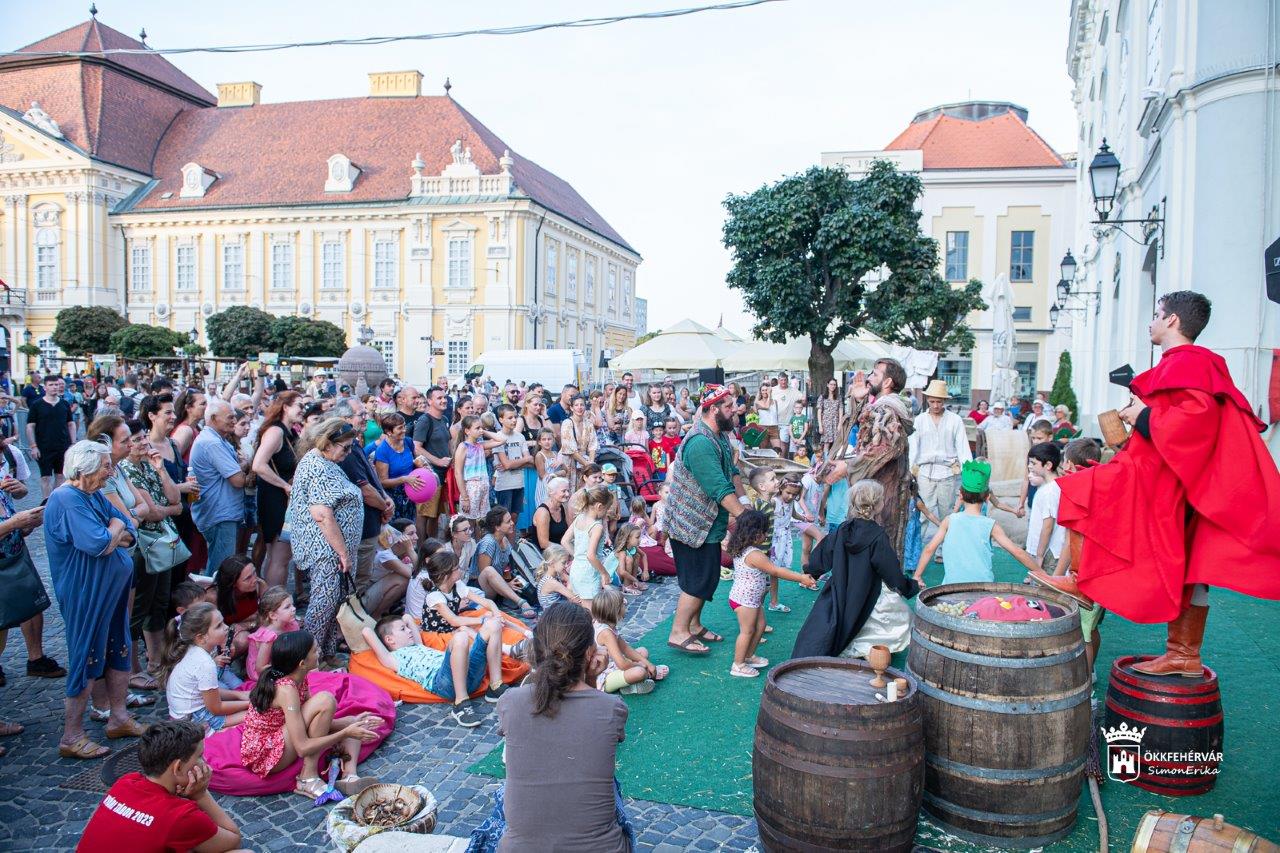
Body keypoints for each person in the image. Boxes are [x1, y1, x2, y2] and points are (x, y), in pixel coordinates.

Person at [1034, 291, 1280, 677]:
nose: (1151, 321)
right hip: (1178, 478)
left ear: (1173, 322)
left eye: (1156, 314)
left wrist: (1144, 414)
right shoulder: (1188, 365)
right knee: (1191, 568)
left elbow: (1193, 424)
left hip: (1168, 480)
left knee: (1080, 491)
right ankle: (1182, 653)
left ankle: (1084, 584)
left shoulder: (1191, 363)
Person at [487, 601, 634, 852]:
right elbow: (585, 735)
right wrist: (592, 679)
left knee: (507, 792)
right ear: (589, 653)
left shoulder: (510, 702)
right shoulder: (611, 708)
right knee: (609, 787)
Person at [45, 440, 140, 759]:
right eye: (105, 465)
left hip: (109, 591)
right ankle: (72, 735)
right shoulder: (67, 499)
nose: (110, 470)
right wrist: (115, 529)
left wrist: (116, 529)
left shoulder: (93, 495)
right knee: (85, 657)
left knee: (120, 648)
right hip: (86, 594)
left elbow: (131, 529)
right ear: (83, 468)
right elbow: (98, 543)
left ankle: (119, 717)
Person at [241, 630, 381, 795]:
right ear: (302, 663)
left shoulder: (299, 676)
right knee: (327, 701)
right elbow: (302, 747)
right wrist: (344, 731)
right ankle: (307, 777)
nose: (319, 651)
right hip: (267, 754)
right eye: (314, 650)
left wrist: (351, 723)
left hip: (288, 731)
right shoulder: (286, 689)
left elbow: (317, 719)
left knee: (352, 723)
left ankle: (350, 776)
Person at [77, 720, 244, 852]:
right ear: (177, 767)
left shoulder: (125, 783)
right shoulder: (180, 816)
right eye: (199, 756)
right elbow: (233, 840)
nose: (205, 762)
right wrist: (200, 795)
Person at [664, 385, 746, 655]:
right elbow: (718, 488)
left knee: (708, 577)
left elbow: (731, 473)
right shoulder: (700, 442)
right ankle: (678, 632)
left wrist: (745, 504)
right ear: (713, 409)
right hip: (690, 526)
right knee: (697, 580)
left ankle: (695, 625)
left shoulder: (720, 434)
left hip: (707, 523)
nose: (733, 410)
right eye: (728, 406)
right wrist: (746, 517)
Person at [290, 418, 365, 665]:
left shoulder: (326, 460)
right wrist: (343, 552)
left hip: (334, 549)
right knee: (322, 605)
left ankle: (328, 652)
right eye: (345, 447)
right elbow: (322, 514)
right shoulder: (316, 465)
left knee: (334, 603)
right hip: (326, 549)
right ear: (328, 443)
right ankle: (310, 660)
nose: (349, 452)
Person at [364, 613, 507, 728]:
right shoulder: (392, 658)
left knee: (493, 624)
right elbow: (367, 631)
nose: (409, 630)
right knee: (461, 637)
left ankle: (495, 686)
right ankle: (461, 703)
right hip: (443, 681)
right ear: (389, 640)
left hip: (468, 672)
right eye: (403, 629)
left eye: (407, 628)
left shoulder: (418, 644)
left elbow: (408, 617)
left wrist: (403, 620)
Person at [913, 461, 1042, 586]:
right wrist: (1040, 572)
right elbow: (1016, 551)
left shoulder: (949, 520)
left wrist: (917, 576)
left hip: (951, 586)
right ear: (987, 498)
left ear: (961, 496)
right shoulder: (991, 525)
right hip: (983, 586)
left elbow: (930, 548)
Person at [727, 509, 816, 677]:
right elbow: (775, 571)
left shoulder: (744, 548)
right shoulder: (754, 554)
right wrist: (801, 578)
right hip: (744, 600)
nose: (767, 535)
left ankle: (749, 656)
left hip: (751, 600)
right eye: (764, 532)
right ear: (754, 533)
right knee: (747, 631)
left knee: (760, 626)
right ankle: (738, 664)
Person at [333, 399, 394, 599]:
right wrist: (384, 507)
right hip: (362, 528)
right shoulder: (345, 451)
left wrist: (384, 497)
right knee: (357, 584)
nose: (366, 418)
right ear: (345, 419)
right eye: (361, 414)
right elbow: (364, 490)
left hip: (370, 524)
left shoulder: (355, 444)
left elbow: (371, 478)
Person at [159, 603, 250, 732]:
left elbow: (205, 693)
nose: (226, 628)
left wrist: (239, 696)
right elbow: (216, 708)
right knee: (256, 715)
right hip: (192, 722)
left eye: (223, 622)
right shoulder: (204, 663)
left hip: (185, 715)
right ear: (201, 638)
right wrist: (250, 704)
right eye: (219, 626)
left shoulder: (191, 649)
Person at [909, 378, 972, 560]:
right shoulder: (919, 420)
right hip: (924, 473)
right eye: (933, 401)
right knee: (921, 514)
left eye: (939, 401)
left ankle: (944, 550)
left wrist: (968, 473)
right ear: (927, 400)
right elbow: (913, 446)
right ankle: (914, 552)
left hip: (947, 473)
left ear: (945, 401)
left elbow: (963, 448)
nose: (936, 405)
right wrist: (908, 470)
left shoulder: (955, 420)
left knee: (948, 513)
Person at [189, 400, 247, 578]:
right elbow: (238, 480)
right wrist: (244, 464)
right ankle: (211, 603)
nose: (234, 421)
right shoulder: (211, 443)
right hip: (219, 514)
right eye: (230, 417)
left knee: (221, 566)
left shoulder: (216, 440)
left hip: (221, 512)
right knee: (219, 571)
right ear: (213, 418)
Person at [251, 391, 302, 589]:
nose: (302, 410)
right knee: (280, 556)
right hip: (276, 499)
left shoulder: (289, 431)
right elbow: (258, 465)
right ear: (285, 407)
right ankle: (275, 604)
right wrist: (285, 485)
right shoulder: (276, 431)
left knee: (278, 555)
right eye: (299, 405)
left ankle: (274, 603)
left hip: (280, 498)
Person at [591, 586, 665, 694]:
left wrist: (647, 663)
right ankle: (633, 685)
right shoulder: (606, 633)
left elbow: (625, 648)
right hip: (604, 675)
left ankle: (627, 686)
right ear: (615, 611)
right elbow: (622, 664)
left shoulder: (608, 626)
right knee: (640, 672)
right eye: (623, 604)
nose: (626, 606)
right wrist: (642, 666)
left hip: (612, 664)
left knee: (643, 651)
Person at [474, 507, 536, 618]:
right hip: (481, 588)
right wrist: (506, 584)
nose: (512, 523)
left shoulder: (504, 539)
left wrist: (509, 581)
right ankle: (521, 602)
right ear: (497, 527)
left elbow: (506, 566)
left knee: (529, 590)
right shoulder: (488, 543)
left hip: (499, 583)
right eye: (508, 522)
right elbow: (484, 573)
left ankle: (514, 597)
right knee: (489, 570)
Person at [412, 385, 454, 540]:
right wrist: (438, 461)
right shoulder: (425, 420)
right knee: (424, 515)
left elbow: (448, 442)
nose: (444, 400)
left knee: (435, 514)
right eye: (439, 398)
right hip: (429, 475)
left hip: (443, 475)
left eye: (444, 397)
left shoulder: (444, 419)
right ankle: (422, 552)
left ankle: (433, 548)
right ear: (429, 401)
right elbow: (417, 448)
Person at [27, 374, 76, 498]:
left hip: (62, 446)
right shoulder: (37, 405)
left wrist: (73, 443)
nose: (55, 387)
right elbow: (30, 426)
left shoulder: (64, 404)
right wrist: (33, 446)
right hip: (44, 447)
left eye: (56, 384)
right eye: (51, 385)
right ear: (45, 388)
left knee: (60, 476)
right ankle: (46, 504)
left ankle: (55, 501)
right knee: (45, 477)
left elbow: (71, 424)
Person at [564, 485, 615, 602]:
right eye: (607, 509)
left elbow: (565, 541)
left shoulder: (579, 517)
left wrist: (577, 555)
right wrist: (604, 573)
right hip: (589, 573)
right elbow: (591, 555)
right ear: (599, 506)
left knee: (579, 610)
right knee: (590, 613)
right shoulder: (597, 527)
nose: (607, 512)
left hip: (576, 568)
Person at [1024, 442, 1065, 573]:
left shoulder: (1049, 491)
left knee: (1045, 588)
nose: (1030, 466)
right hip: (1049, 550)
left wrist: (1040, 555)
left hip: (1049, 552)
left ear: (1048, 465)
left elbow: (1048, 525)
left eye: (1034, 463)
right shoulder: (1052, 487)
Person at [373, 413, 422, 521]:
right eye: (400, 428)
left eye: (404, 426)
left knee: (410, 527)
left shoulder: (408, 441)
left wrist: (420, 465)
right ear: (389, 432)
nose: (404, 430)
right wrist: (404, 479)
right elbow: (382, 482)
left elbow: (415, 461)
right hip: (393, 499)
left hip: (409, 494)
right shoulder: (382, 451)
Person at [246, 586, 298, 682]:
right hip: (264, 672)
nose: (293, 609)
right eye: (287, 607)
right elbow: (260, 668)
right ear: (273, 615)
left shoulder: (292, 625)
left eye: (292, 605)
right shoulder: (268, 637)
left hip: (282, 663)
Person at [494, 404, 533, 519]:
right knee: (503, 519)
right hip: (504, 485)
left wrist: (512, 464)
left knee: (514, 517)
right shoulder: (498, 437)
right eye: (510, 418)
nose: (514, 420)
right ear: (501, 419)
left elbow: (529, 462)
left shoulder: (520, 437)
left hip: (519, 482)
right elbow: (506, 464)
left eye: (515, 417)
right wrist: (523, 460)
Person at [558, 395, 598, 493]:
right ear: (571, 408)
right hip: (570, 462)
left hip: (585, 462)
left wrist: (591, 464)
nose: (579, 407)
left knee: (585, 493)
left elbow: (593, 445)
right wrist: (587, 464)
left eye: (582, 405)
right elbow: (570, 450)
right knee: (569, 492)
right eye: (576, 405)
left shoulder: (588, 423)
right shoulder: (567, 423)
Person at [535, 545, 583, 609]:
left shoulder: (556, 574)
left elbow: (571, 580)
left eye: (567, 562)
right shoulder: (551, 582)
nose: (566, 565)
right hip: (554, 617)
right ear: (552, 563)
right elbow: (576, 599)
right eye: (563, 563)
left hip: (559, 611)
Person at [532, 475, 572, 552]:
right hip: (546, 555)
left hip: (561, 551)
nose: (567, 494)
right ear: (551, 492)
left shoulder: (563, 507)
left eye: (568, 490)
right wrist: (567, 549)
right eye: (563, 491)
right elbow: (543, 544)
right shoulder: (543, 512)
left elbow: (570, 531)